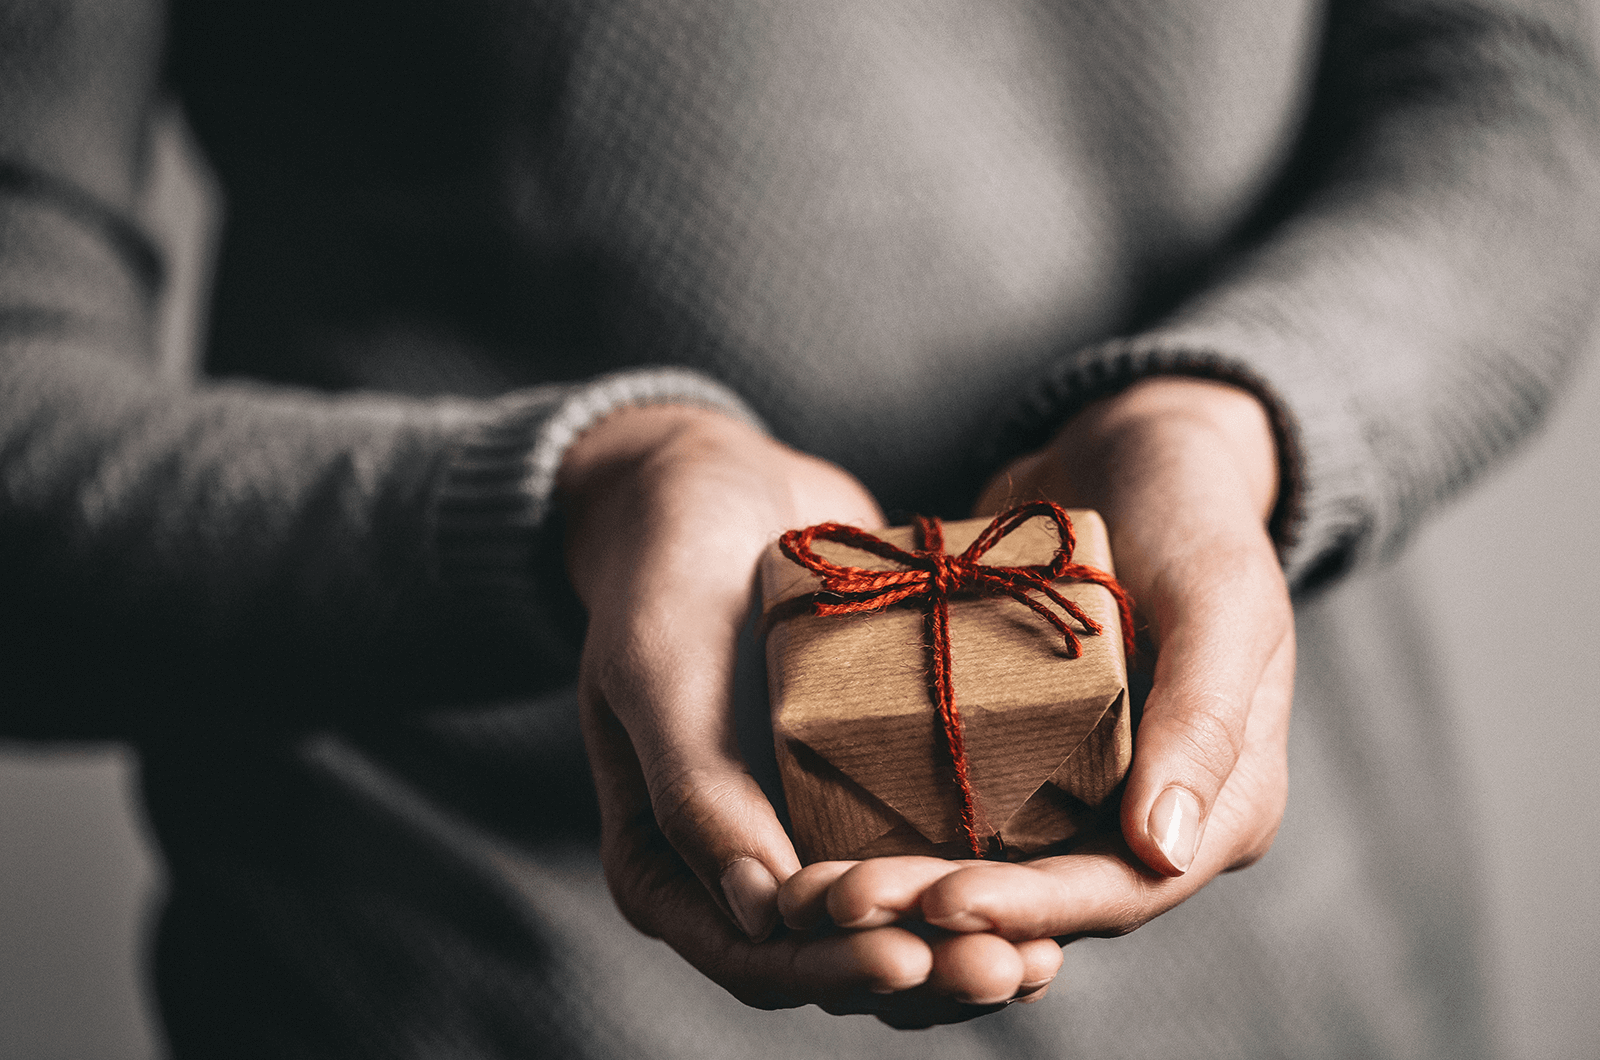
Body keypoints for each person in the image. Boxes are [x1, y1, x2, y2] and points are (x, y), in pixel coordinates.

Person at [3, 0, 1597, 1055]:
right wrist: (587, 491)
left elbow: (1518, 89)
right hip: (479, 978)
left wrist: (1223, 420)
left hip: (1308, 981)